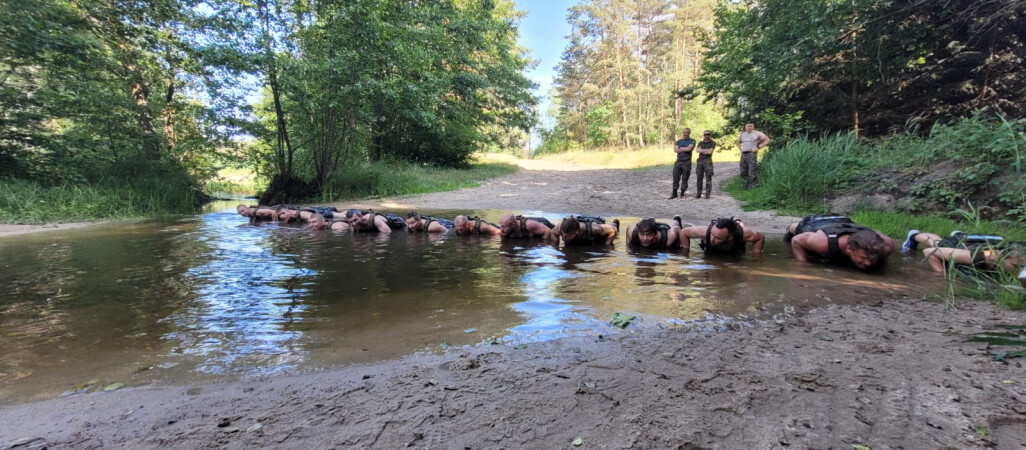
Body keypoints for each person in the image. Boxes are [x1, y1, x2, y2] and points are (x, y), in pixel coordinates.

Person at [902, 230, 1026, 286]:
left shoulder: (1016, 257)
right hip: (963, 248)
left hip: (985, 245)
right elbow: (931, 252)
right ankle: (914, 235)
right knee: (938, 244)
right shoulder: (990, 257)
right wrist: (941, 275)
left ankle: (960, 235)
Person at [785, 214, 894, 271]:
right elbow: (796, 240)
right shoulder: (823, 243)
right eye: (864, 257)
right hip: (818, 222)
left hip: (846, 223)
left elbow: (878, 233)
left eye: (872, 258)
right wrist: (803, 265)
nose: (868, 263)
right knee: (797, 228)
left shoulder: (886, 247)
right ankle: (792, 226)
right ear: (849, 248)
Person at [679, 217, 766, 256]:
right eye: (712, 235)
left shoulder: (743, 235)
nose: (712, 239)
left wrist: (756, 254)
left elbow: (760, 237)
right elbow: (683, 232)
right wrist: (685, 252)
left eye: (717, 238)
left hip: (735, 245)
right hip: (711, 249)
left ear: (729, 238)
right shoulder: (705, 232)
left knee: (741, 227)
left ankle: (737, 221)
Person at [735, 122, 770, 190]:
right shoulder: (743, 134)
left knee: (752, 170)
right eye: (747, 126)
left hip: (752, 154)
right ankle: (744, 186)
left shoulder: (757, 133)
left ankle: (754, 187)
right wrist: (740, 150)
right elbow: (738, 142)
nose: (749, 128)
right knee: (743, 170)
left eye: (751, 126)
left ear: (753, 127)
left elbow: (767, 139)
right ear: (745, 127)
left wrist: (759, 147)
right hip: (744, 154)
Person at [552, 215, 619, 245]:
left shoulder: (594, 229)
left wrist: (607, 244)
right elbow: (553, 233)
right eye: (563, 235)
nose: (563, 238)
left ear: (577, 232)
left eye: (567, 236)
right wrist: (556, 244)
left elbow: (613, 230)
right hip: (579, 225)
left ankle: (614, 223)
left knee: (612, 227)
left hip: (594, 227)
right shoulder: (560, 228)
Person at [669, 128, 696, 199]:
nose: (685, 134)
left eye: (686, 132)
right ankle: (674, 193)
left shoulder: (692, 141)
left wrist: (680, 148)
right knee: (675, 178)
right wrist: (684, 149)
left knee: (685, 178)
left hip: (686, 162)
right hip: (678, 162)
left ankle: (682, 193)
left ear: (689, 133)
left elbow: (689, 149)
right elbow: (675, 150)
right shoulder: (679, 141)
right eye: (684, 132)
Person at [694, 131, 716, 199]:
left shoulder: (713, 143)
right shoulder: (700, 142)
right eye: (705, 134)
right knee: (699, 178)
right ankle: (698, 193)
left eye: (708, 134)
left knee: (708, 178)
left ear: (710, 135)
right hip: (700, 161)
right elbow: (697, 150)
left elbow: (710, 152)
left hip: (708, 161)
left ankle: (707, 194)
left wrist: (702, 150)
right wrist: (706, 150)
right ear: (703, 135)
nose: (706, 136)